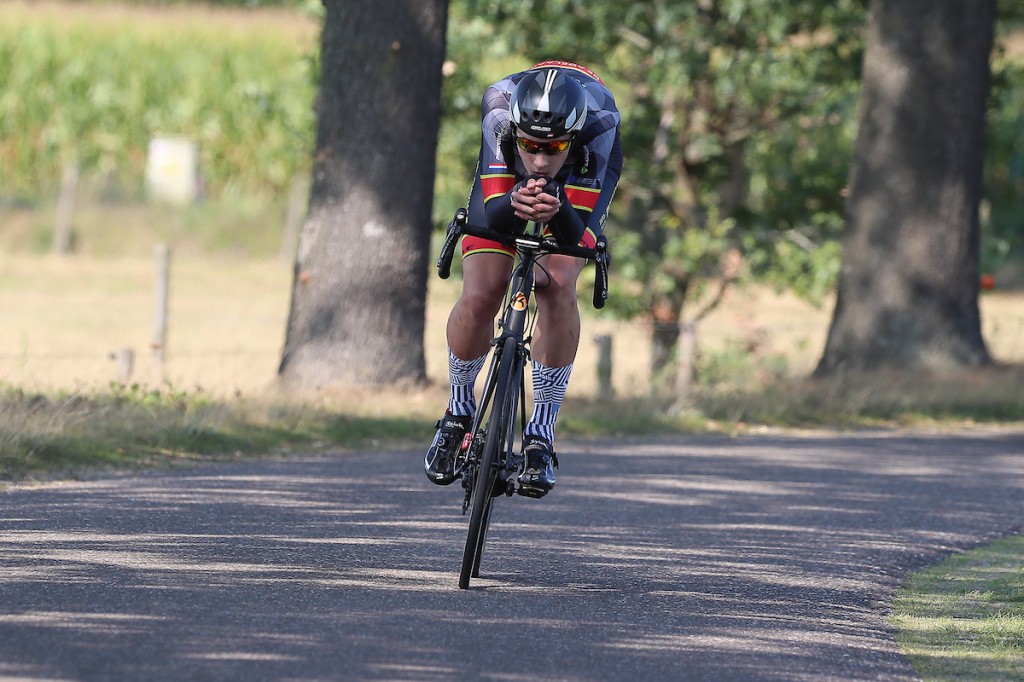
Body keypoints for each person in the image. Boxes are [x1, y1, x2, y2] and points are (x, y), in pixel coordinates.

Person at [425, 60, 623, 498]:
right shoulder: (499, 108)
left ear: (570, 142)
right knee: (482, 291)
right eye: (530, 146)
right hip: (508, 182)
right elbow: (493, 215)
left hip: (578, 180)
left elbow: (580, 237)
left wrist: (560, 209)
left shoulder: (600, 124)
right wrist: (516, 200)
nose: (537, 159)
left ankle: (541, 433)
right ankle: (458, 411)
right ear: (515, 132)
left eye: (552, 149)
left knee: (557, 280)